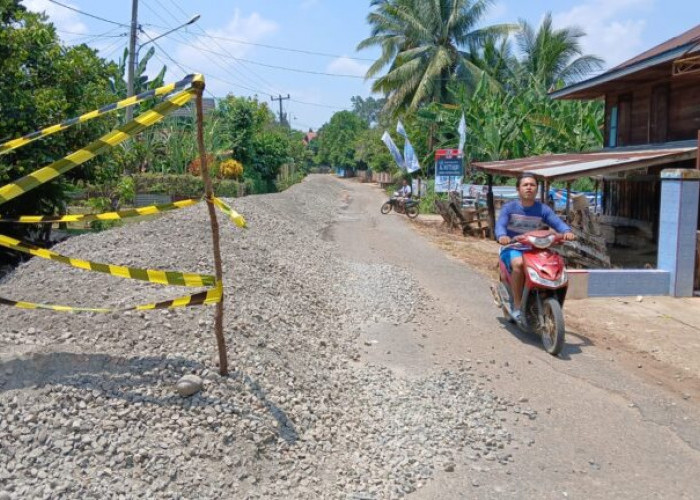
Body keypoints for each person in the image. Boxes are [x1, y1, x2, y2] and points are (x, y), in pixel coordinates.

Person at [495, 172, 575, 322]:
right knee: (518, 264)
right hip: (513, 248)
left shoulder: (543, 209)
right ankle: (517, 306)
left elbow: (557, 223)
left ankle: (549, 298)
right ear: (518, 189)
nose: (529, 188)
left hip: (535, 249)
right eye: (525, 185)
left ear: (537, 189)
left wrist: (566, 232)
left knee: (555, 262)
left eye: (532, 185)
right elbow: (500, 225)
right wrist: (502, 236)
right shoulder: (509, 208)